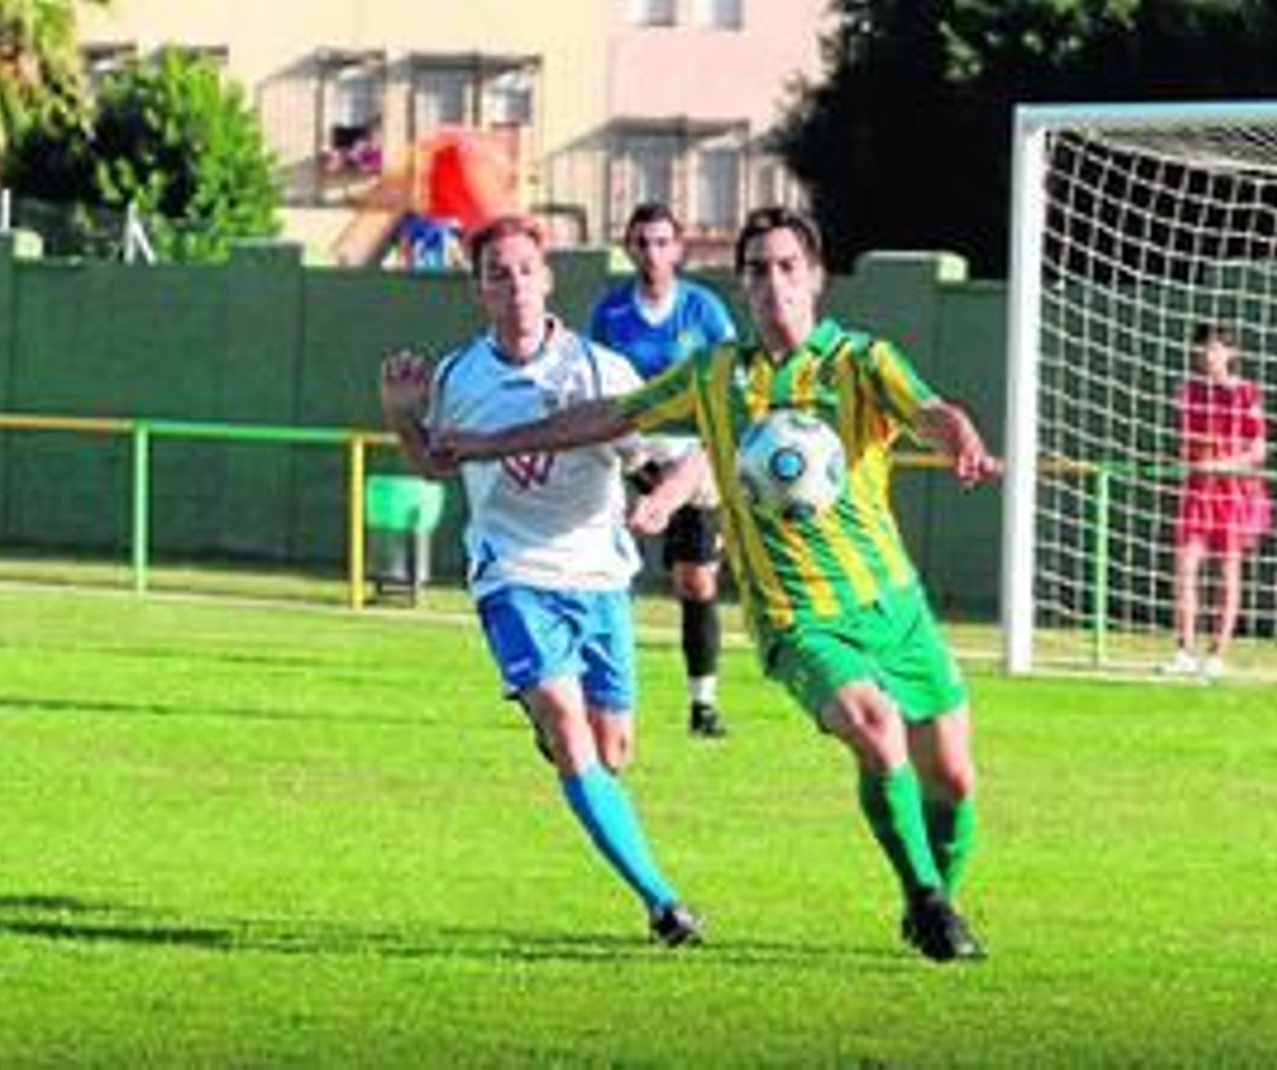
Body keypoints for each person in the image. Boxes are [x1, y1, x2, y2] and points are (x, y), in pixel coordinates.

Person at [426, 206, 1001, 963]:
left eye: (787, 266)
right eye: (757, 270)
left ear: (816, 277)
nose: (773, 284)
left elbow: (929, 411)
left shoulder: (862, 362)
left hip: (893, 604)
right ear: (742, 285)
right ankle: (928, 902)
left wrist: (960, 438)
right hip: (798, 615)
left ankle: (931, 897)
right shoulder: (717, 374)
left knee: (954, 781)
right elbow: (609, 416)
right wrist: (493, 444)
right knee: (874, 728)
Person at [378, 213, 702, 947]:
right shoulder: (460, 377)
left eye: (527, 269)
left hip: (599, 579)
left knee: (610, 751)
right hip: (512, 574)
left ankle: (559, 732)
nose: (516, 285)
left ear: (548, 278)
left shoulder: (601, 371)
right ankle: (663, 902)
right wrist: (402, 417)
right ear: (479, 289)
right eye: (499, 273)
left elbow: (688, 456)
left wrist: (660, 498)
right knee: (566, 726)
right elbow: (436, 462)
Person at [589, 203, 738, 739]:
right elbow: (598, 387)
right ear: (628, 249)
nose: (652, 253)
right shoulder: (610, 314)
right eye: (642, 242)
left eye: (661, 242)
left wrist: (702, 454)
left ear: (678, 249)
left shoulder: (704, 310)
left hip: (692, 456)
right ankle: (595, 691)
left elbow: (728, 384)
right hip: (630, 452)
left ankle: (703, 703)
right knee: (602, 571)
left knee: (695, 581)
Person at [1164, 322, 1271, 680]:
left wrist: (1220, 464)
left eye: (1215, 348)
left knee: (1227, 571)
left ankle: (1218, 653)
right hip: (1198, 490)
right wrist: (1189, 460)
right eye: (1203, 348)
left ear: (1231, 353)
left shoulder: (1246, 393)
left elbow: (1258, 451)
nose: (1207, 355)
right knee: (1185, 567)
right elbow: (1186, 443)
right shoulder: (1188, 391)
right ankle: (1183, 650)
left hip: (1235, 492)